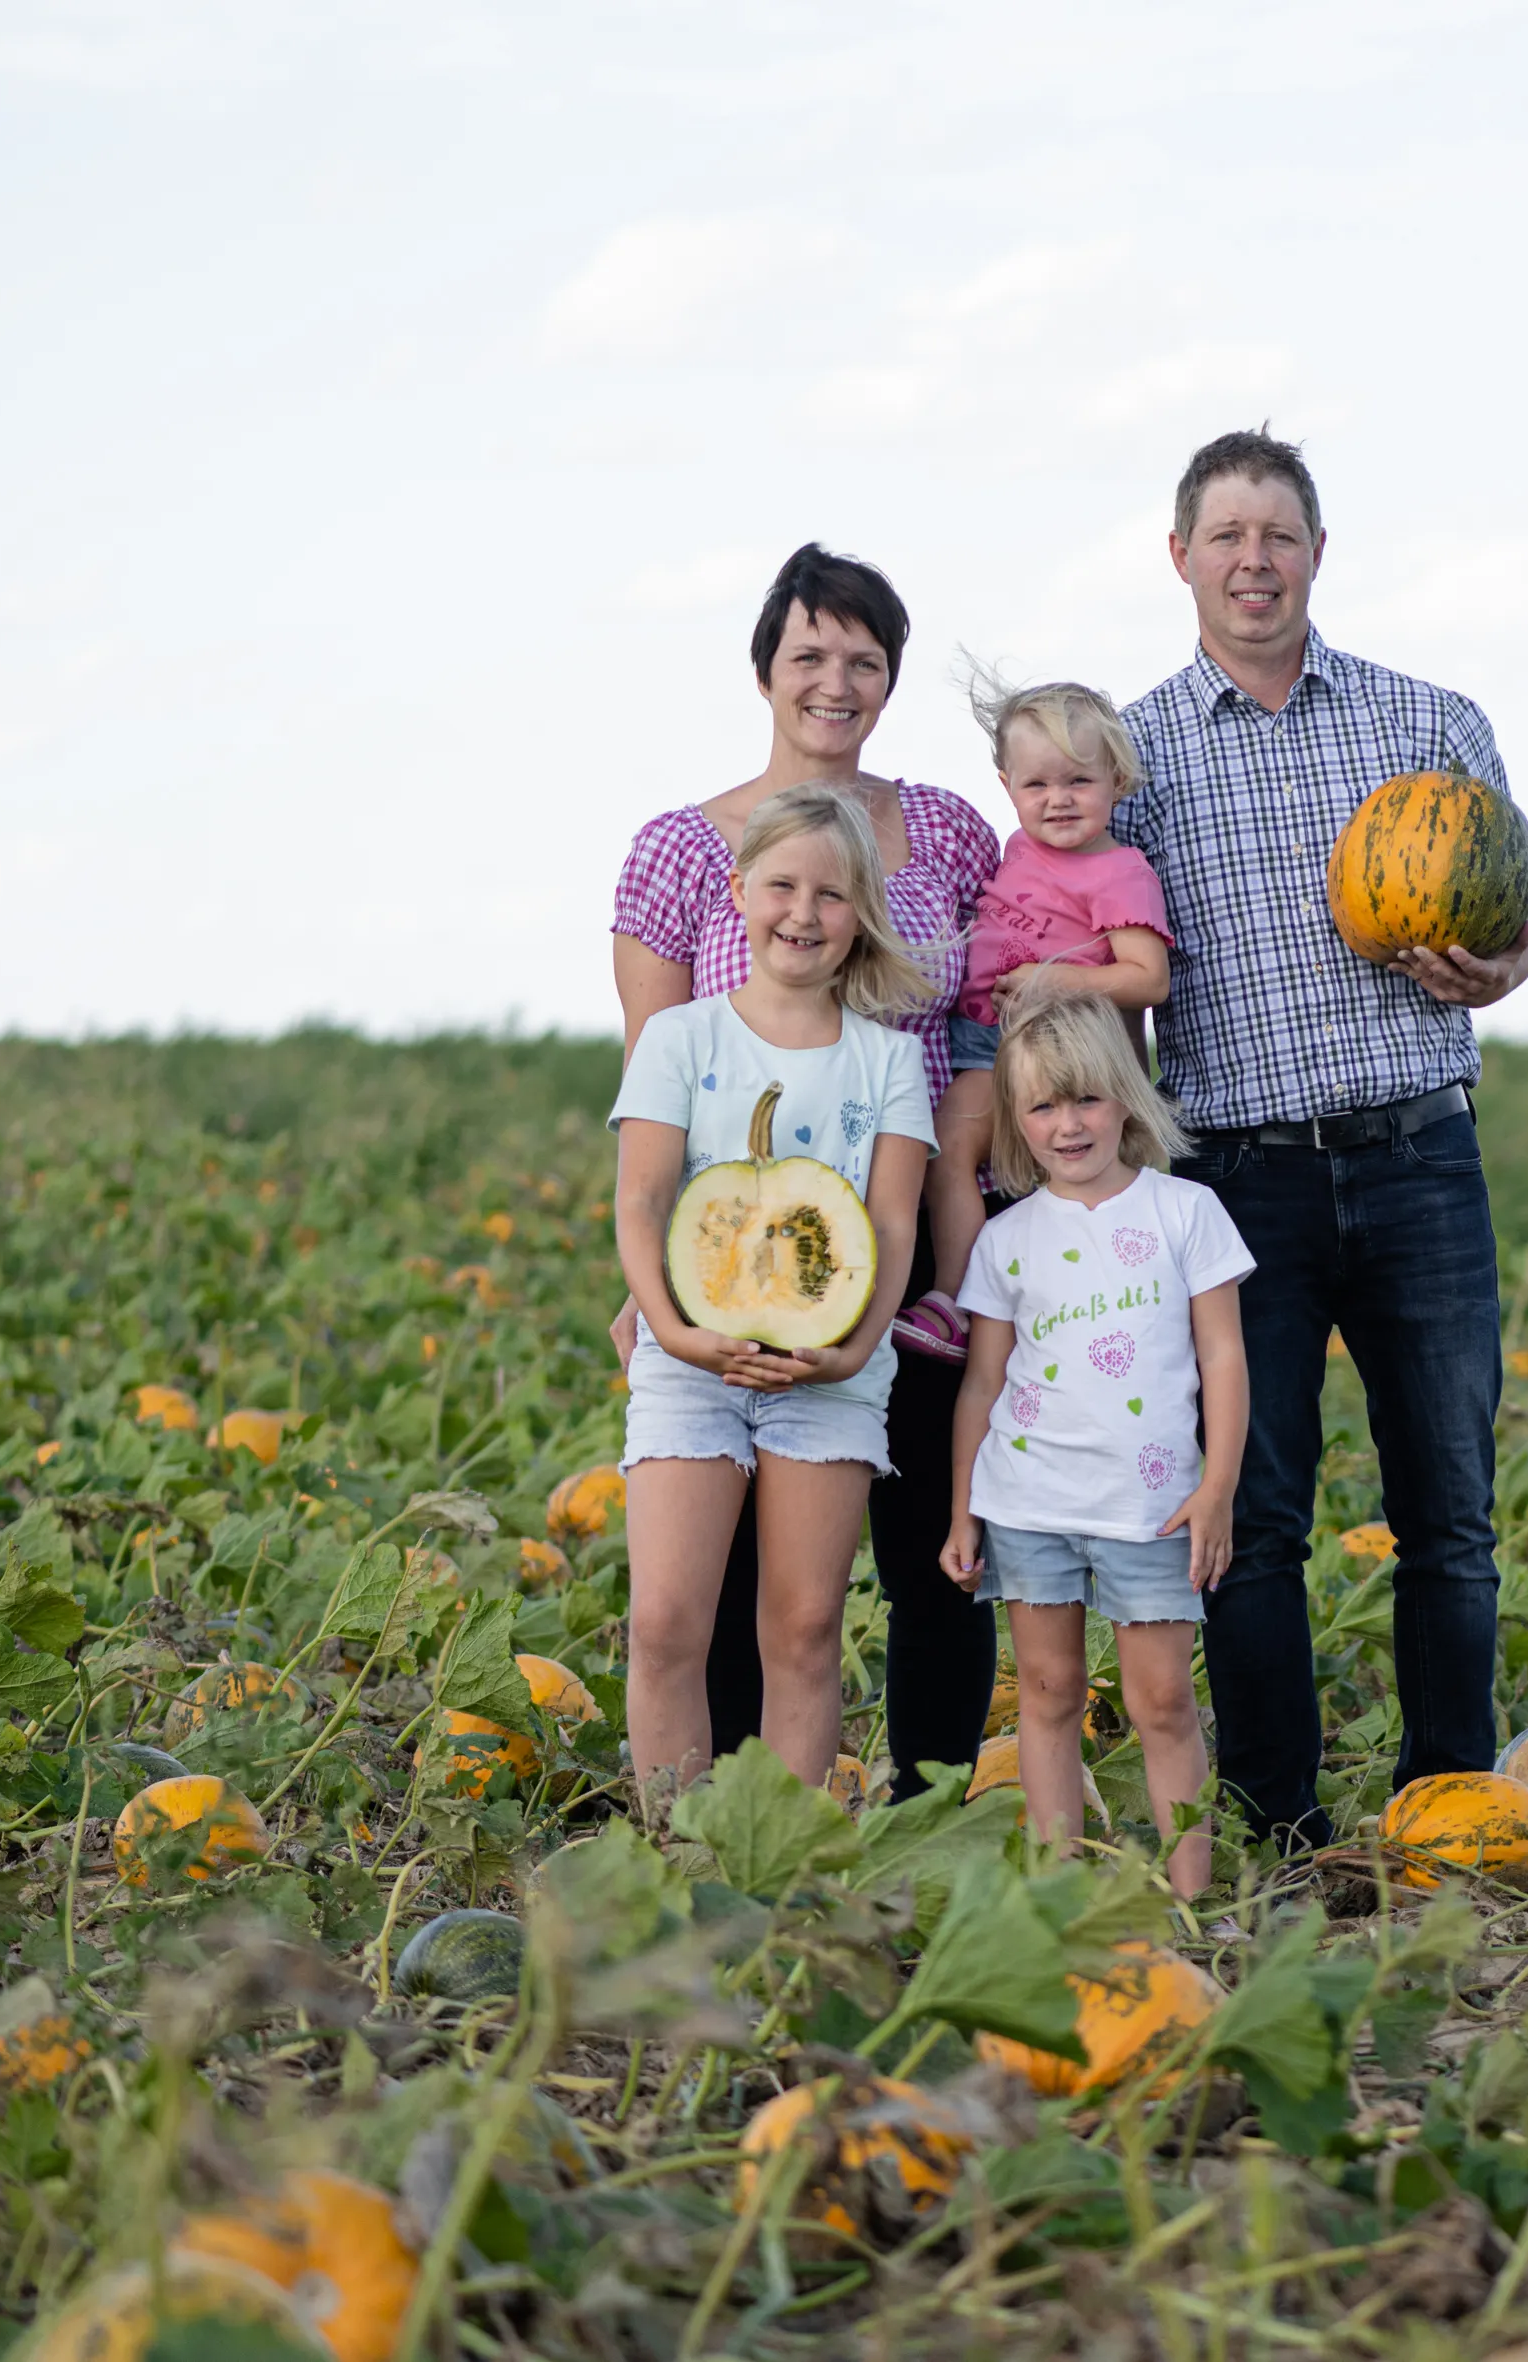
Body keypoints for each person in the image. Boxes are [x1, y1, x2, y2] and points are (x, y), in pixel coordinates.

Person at [1116, 428, 1528, 1848]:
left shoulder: (1429, 720)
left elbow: (1516, 919)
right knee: (1253, 1515)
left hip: (1418, 1153)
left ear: (1315, 552)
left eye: (1278, 535)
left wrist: (1498, 965)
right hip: (1235, 1178)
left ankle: (1448, 1813)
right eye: (1226, 535)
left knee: (1449, 1513)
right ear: (1180, 556)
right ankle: (1275, 1820)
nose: (1253, 561)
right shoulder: (1135, 757)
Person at [608, 543, 1003, 1801]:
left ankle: (913, 1813)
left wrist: (984, 1231)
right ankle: (715, 1829)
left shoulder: (944, 827)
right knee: (710, 1600)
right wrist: (658, 1293)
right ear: (767, 668)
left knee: (923, 1561)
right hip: (726, 1261)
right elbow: (656, 1098)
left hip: (912, 1244)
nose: (836, 681)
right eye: (809, 655)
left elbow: (991, 1018)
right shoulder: (678, 849)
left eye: (864, 659)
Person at [609, 785, 934, 1801]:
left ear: (861, 913)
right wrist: (672, 1330)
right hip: (688, 1364)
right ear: (739, 891)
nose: (804, 911)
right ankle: (677, 1853)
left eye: (832, 895)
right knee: (666, 1621)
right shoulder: (682, 1039)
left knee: (802, 1626)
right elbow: (643, 1200)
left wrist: (852, 1347)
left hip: (830, 1374)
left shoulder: (889, 1059)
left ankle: (783, 1870)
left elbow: (888, 1226)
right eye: (783, 885)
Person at [941, 992, 1252, 1895]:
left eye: (1085, 1099)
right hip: (1030, 1503)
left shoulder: (1185, 1213)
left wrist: (1218, 1486)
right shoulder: (1005, 1241)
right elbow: (982, 1385)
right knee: (1046, 1695)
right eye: (1041, 1106)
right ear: (1016, 1121)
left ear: (1125, 1097)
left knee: (1162, 1702)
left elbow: (1223, 1360)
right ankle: (1057, 1893)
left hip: (1151, 1508)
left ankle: (1193, 1898)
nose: (1067, 1125)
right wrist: (963, 1508)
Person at [926, 677, 1175, 1311]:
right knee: (947, 1150)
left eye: (1078, 782)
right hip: (982, 1036)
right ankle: (956, 1301)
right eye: (1036, 785)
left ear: (1117, 779)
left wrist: (1059, 980)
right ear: (1006, 785)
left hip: (1055, 1049)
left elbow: (1148, 978)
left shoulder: (1119, 871)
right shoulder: (1016, 847)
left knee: (1045, 1168)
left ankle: (982, 1303)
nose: (1057, 800)